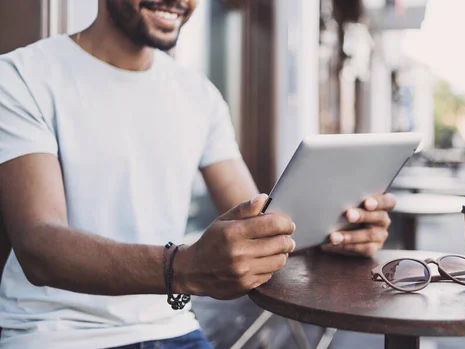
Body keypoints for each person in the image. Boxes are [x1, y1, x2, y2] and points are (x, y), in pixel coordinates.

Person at [0, 0, 395, 348]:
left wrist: (340, 231)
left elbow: (260, 220)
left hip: (171, 327)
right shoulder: (22, 76)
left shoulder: (199, 96)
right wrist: (184, 268)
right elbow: (39, 246)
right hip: (55, 332)